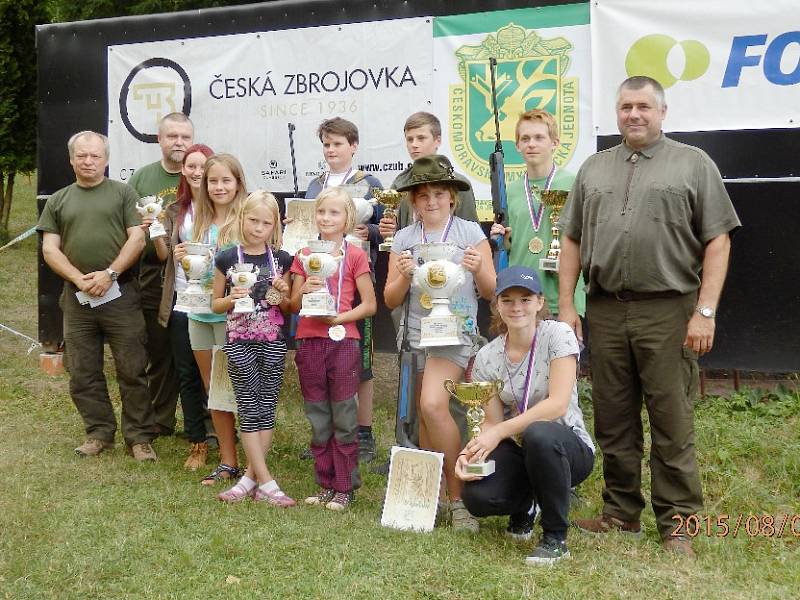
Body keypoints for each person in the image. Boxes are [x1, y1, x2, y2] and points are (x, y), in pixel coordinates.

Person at [558, 76, 741, 557]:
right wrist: (565, 307)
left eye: (643, 106)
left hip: (670, 310)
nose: (633, 114)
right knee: (613, 419)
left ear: (662, 112)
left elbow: (718, 240)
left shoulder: (692, 163)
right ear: (615, 113)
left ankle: (679, 522)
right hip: (604, 309)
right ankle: (620, 513)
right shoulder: (594, 169)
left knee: (671, 418)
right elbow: (572, 239)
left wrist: (705, 311)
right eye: (625, 107)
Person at [383, 155, 496, 531]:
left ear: (452, 197)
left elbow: (492, 291)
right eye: (423, 195)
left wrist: (479, 267)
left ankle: (459, 497)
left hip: (457, 333)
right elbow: (390, 300)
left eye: (438, 193)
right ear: (413, 202)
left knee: (432, 404)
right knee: (427, 417)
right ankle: (433, 497)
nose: (431, 201)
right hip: (417, 334)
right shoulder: (404, 238)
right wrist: (400, 277)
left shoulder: (470, 233)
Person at [457, 266, 595, 564]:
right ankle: (528, 504)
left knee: (539, 432)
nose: (517, 307)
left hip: (567, 447)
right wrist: (474, 451)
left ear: (540, 302)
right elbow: (491, 421)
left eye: (525, 298)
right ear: (496, 305)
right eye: (507, 300)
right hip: (520, 448)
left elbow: (557, 404)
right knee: (478, 497)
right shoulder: (487, 356)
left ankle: (555, 538)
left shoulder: (559, 335)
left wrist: (498, 432)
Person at [37, 131, 156, 460]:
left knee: (132, 368)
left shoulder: (123, 193)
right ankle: (99, 432)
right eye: (82, 156)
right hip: (77, 299)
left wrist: (110, 274)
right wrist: (80, 279)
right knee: (82, 370)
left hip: (121, 294)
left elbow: (136, 239)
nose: (88, 162)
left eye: (95, 156)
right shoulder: (59, 200)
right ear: (71, 159)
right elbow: (50, 248)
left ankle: (139, 437)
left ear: (106, 159)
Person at [290, 187, 377, 511]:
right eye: (322, 212)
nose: (326, 218)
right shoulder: (304, 254)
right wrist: (307, 289)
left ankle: (345, 486)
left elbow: (369, 305)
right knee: (318, 416)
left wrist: (338, 317)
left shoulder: (355, 255)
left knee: (343, 414)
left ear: (347, 219)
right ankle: (325, 482)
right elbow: (291, 304)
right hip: (309, 340)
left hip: (343, 340)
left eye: (334, 213)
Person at [304, 117, 384, 463]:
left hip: (355, 280)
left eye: (337, 143)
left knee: (359, 360)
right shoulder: (313, 185)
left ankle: (362, 432)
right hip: (320, 283)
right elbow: (308, 225)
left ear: (354, 146)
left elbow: (387, 227)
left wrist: (373, 232)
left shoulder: (370, 184)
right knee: (322, 358)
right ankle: (325, 433)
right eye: (326, 144)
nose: (331, 150)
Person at [212, 191, 296, 506]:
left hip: (273, 340)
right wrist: (233, 297)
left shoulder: (282, 259)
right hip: (239, 341)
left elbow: (286, 306)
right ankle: (268, 482)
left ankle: (250, 478)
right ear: (242, 217)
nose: (258, 227)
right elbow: (216, 303)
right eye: (253, 220)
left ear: (274, 225)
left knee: (266, 406)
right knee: (248, 405)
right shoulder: (226, 257)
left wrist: (284, 291)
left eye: (265, 222)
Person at [178, 153, 247, 485]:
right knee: (214, 390)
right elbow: (197, 273)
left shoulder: (247, 220)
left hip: (233, 318)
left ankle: (254, 460)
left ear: (238, 184)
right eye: (212, 181)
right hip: (199, 315)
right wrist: (183, 259)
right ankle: (228, 460)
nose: (219, 187)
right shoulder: (198, 222)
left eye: (225, 180)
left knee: (241, 388)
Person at [128, 112, 194, 438]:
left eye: (184, 136)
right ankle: (161, 419)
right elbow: (127, 226)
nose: (178, 142)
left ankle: (204, 422)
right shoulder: (141, 179)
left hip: (197, 275)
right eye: (172, 136)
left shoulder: (201, 174)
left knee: (196, 352)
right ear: (159, 139)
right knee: (159, 349)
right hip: (154, 273)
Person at [151, 143, 216, 470]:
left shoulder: (226, 207)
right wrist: (155, 232)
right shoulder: (176, 208)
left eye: (202, 165)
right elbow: (164, 256)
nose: (196, 171)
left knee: (220, 373)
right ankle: (197, 442)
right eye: (190, 166)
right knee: (188, 373)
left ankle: (224, 433)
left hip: (218, 301)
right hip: (182, 301)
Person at [489, 109, 585, 317]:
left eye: (539, 137)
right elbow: (513, 245)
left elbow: (586, 240)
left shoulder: (574, 184)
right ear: (518, 146)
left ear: (555, 143)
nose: (531, 144)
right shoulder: (510, 191)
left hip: (563, 300)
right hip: (521, 301)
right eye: (525, 138)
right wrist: (503, 240)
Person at [381, 111, 479, 235]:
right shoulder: (400, 183)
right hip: (408, 252)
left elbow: (472, 234)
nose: (414, 145)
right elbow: (396, 232)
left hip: (449, 251)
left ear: (437, 141)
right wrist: (391, 230)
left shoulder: (458, 184)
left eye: (421, 138)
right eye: (409, 139)